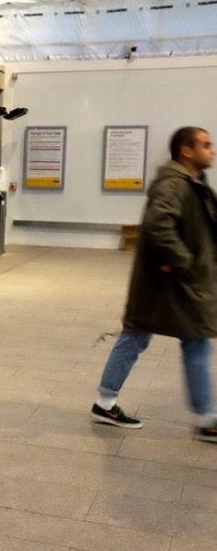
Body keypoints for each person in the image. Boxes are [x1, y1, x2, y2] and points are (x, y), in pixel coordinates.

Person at [91, 126, 217, 443]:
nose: (211, 150)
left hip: (172, 280)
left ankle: (106, 402)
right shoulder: (175, 184)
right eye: (205, 145)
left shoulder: (193, 183)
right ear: (186, 151)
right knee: (181, 338)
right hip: (169, 280)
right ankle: (205, 419)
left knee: (153, 337)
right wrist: (185, 261)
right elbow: (159, 224)